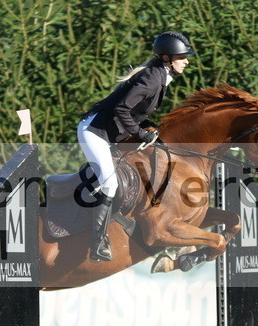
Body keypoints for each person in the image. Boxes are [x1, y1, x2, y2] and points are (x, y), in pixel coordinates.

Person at [77, 31, 195, 261]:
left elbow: (134, 112)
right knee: (109, 184)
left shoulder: (160, 76)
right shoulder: (152, 78)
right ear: (167, 58)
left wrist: (148, 128)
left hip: (113, 132)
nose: (187, 61)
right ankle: (97, 243)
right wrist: (140, 134)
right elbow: (122, 108)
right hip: (95, 133)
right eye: (182, 57)